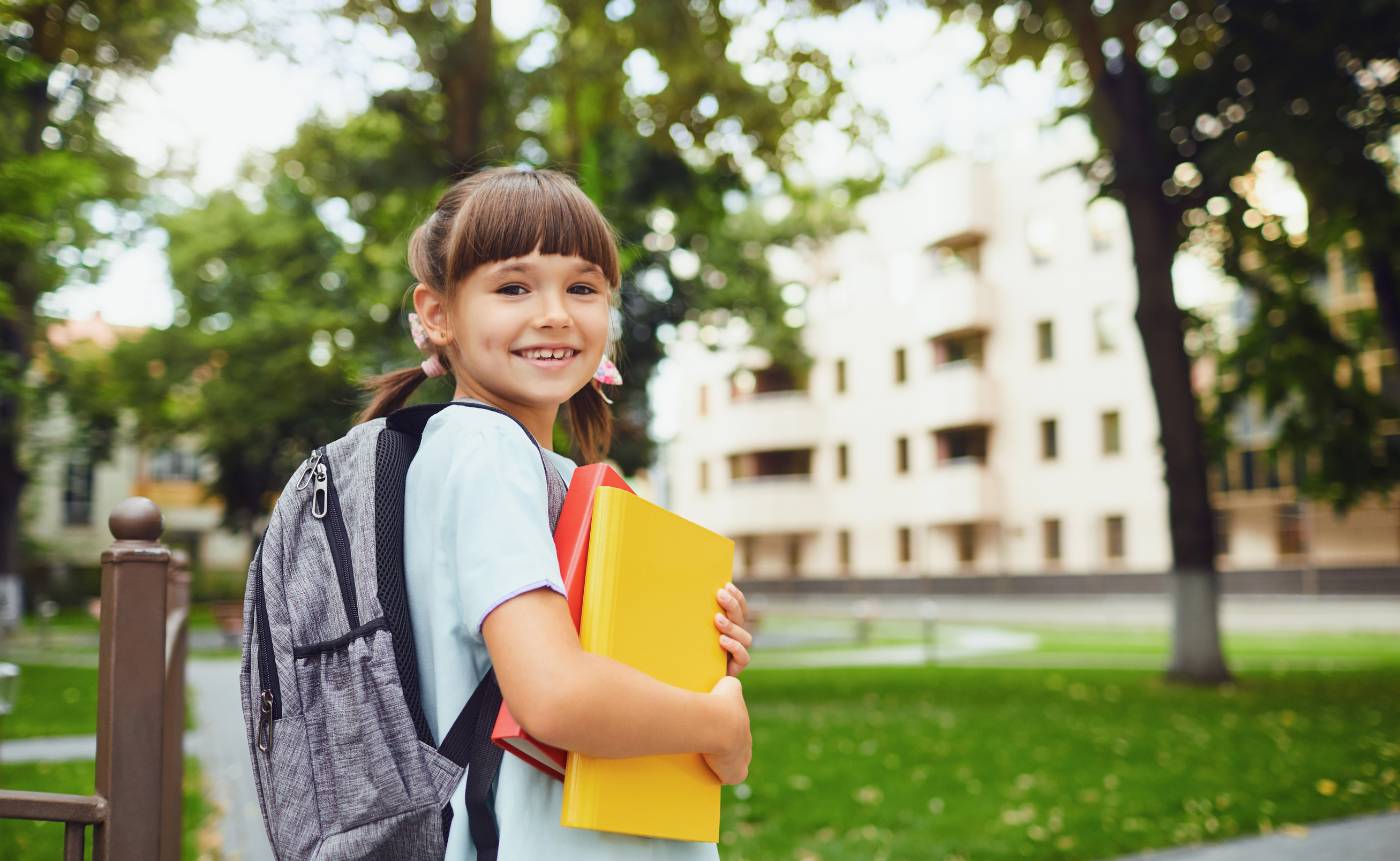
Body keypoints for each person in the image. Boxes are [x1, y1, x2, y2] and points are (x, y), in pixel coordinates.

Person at [357, 166, 754, 860]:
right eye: (513, 286)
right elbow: (554, 694)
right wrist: (715, 722)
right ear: (437, 313)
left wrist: (695, 654)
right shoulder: (490, 452)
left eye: (583, 287)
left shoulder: (461, 454)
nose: (555, 313)